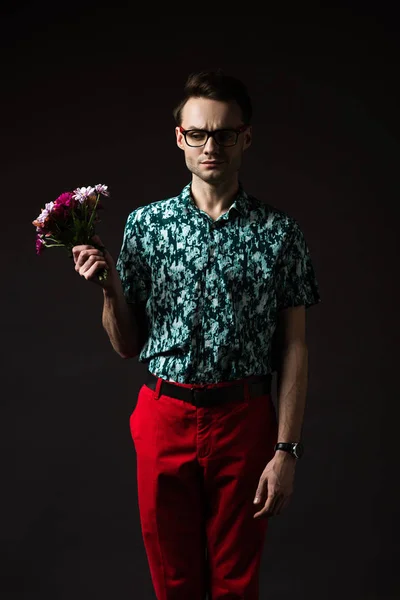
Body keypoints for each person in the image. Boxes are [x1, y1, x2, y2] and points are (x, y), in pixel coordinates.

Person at [72, 69, 321, 600]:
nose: (211, 146)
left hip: (246, 419)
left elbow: (295, 347)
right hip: (165, 416)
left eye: (224, 133)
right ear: (180, 137)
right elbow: (126, 346)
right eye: (198, 133)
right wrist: (110, 289)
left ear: (245, 138)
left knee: (236, 581)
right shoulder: (145, 227)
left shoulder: (281, 234)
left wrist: (287, 449)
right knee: (173, 578)